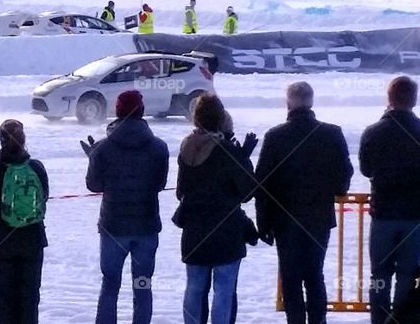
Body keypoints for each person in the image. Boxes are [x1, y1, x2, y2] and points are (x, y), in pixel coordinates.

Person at [256, 82, 353, 324]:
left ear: (288, 103)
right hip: (318, 217)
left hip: (284, 219)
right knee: (314, 275)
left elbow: (263, 184)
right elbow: (344, 173)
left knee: (290, 278)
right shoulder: (332, 134)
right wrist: (336, 191)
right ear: (311, 101)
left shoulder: (275, 136)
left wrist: (263, 224)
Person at [85, 90, 169, 324]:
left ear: (118, 112)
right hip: (146, 225)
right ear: (141, 111)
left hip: (113, 226)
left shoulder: (103, 148)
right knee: (142, 283)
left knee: (110, 284)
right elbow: (160, 184)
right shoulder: (159, 148)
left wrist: (93, 159)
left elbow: (93, 184)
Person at [176, 95, 258, 324]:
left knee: (194, 288)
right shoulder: (228, 152)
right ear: (221, 118)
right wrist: (243, 157)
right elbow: (247, 192)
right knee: (224, 289)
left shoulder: (187, 147)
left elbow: (181, 192)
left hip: (194, 231)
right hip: (226, 231)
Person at [360, 76, 420, 324]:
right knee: (407, 275)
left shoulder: (374, 132)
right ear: (414, 100)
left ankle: (379, 319)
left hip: (383, 214)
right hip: (415, 217)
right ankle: (402, 320)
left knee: (379, 276)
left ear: (389, 99)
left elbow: (365, 169)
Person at [0, 119, 48, 324]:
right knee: (29, 296)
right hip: (33, 240)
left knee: (2, 297)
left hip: (2, 241)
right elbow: (43, 197)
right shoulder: (36, 167)